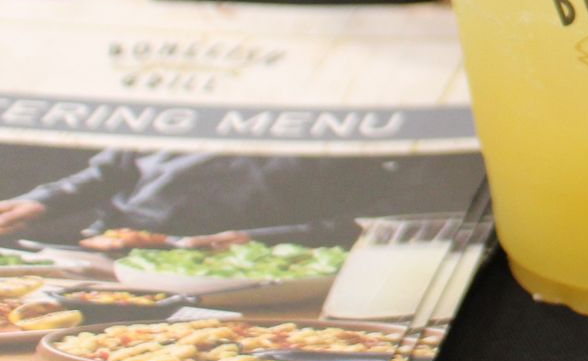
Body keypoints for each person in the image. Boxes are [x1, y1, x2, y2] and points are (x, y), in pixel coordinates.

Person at [0, 149, 374, 248]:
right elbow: (107, 173)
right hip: (120, 244)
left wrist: (260, 240)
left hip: (253, 259)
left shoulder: (336, 141)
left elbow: (358, 223)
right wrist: (47, 200)